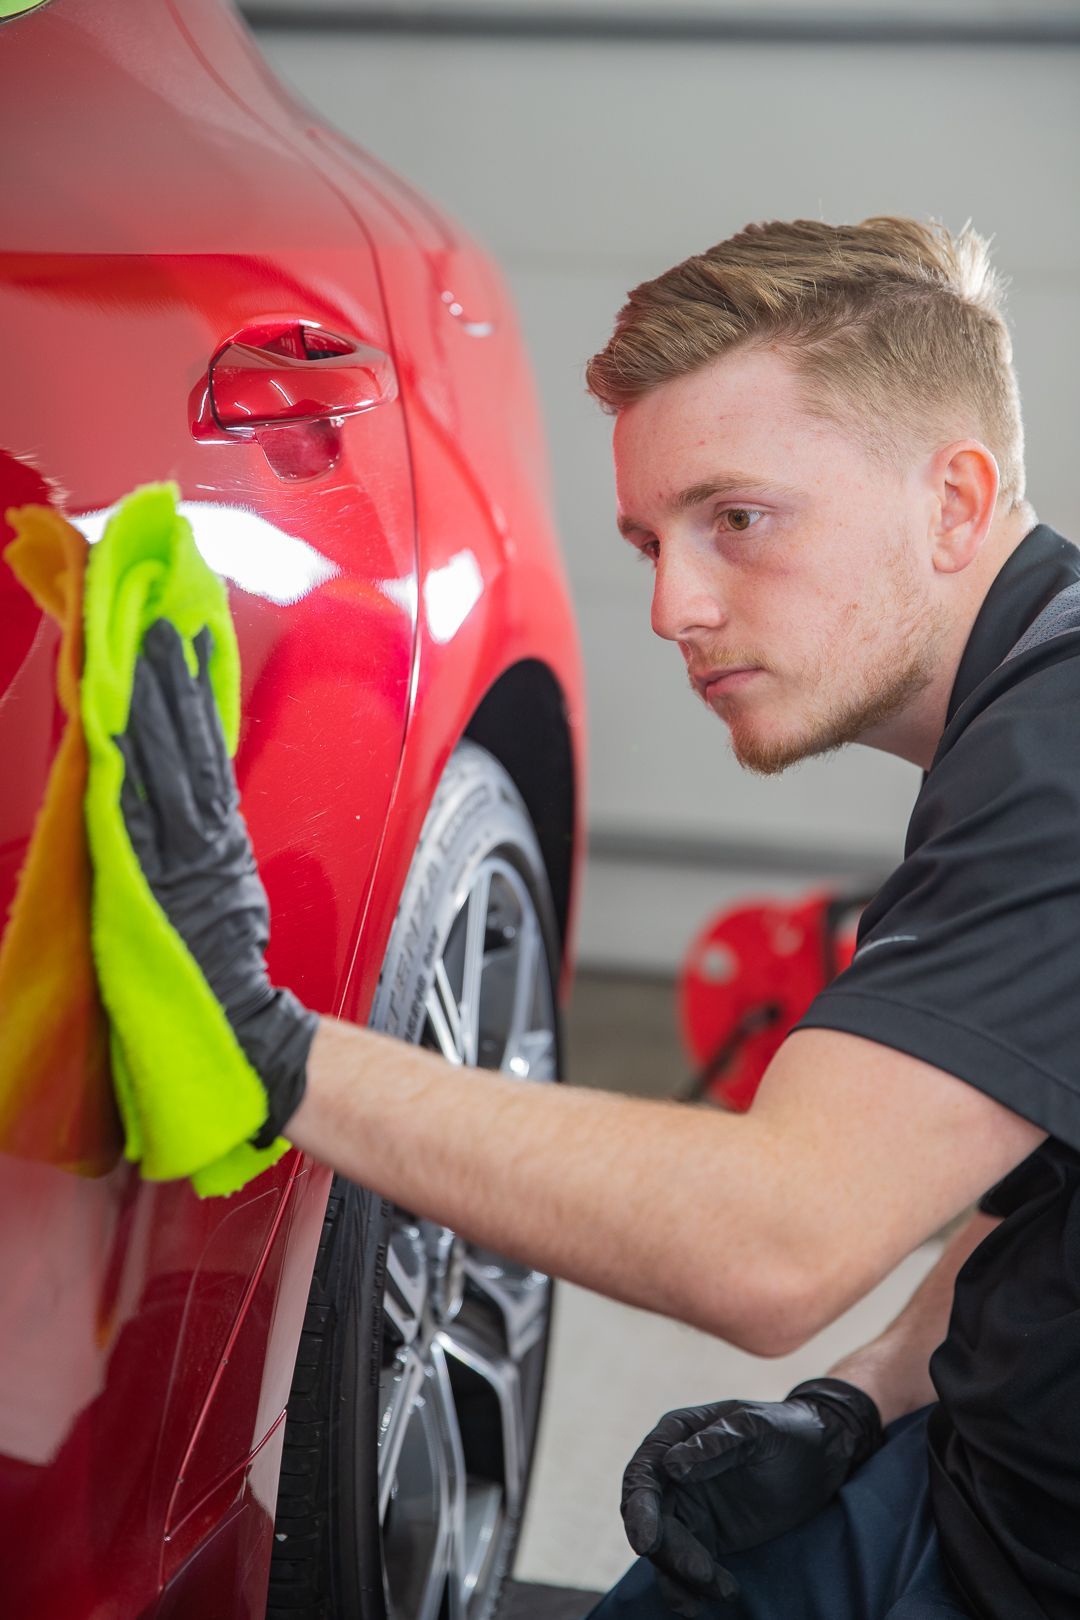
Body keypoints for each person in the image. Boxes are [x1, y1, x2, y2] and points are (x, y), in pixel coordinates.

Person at [116, 217, 1080, 1620]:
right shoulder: (1025, 710)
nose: (672, 605)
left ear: (954, 499)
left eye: (737, 519)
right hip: (975, 1487)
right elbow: (1032, 1185)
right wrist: (858, 1399)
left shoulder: (1058, 757)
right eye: (649, 540)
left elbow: (774, 1241)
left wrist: (273, 1052)